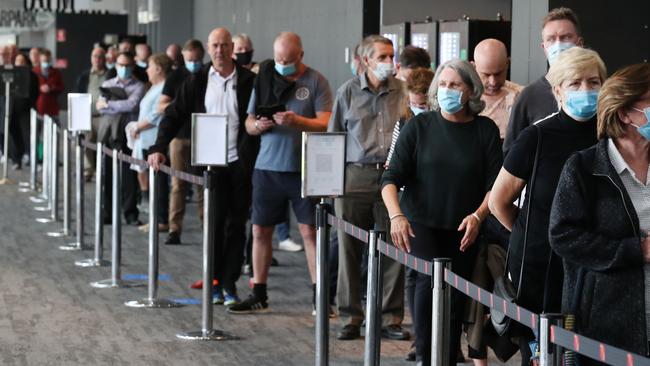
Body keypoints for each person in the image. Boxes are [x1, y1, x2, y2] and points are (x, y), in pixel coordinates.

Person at [489, 47, 606, 364]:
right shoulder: (535, 137)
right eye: (575, 83)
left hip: (595, 266)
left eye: (593, 82)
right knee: (542, 355)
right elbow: (498, 202)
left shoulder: (611, 136)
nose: (585, 90)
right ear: (557, 90)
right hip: (541, 270)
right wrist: (535, 231)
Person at [382, 58, 501, 365]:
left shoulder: (484, 130)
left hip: (464, 226)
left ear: (470, 90)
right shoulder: (419, 126)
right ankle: (425, 354)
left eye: (456, 84)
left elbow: (495, 186)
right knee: (427, 282)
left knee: (456, 295)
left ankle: (445, 356)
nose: (448, 90)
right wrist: (396, 216)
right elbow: (390, 178)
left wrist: (478, 216)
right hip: (421, 223)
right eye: (444, 84)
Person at [148, 28, 257, 305]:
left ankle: (230, 283)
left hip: (240, 164)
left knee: (236, 226)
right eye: (215, 46)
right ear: (209, 49)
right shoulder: (196, 81)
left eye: (224, 45)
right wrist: (159, 147)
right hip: (211, 165)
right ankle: (214, 281)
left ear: (232, 47)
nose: (219, 50)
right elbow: (173, 115)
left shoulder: (248, 81)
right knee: (215, 224)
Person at [549, 63, 650, 364]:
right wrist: (637, 250)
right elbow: (563, 236)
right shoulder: (584, 168)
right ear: (625, 113)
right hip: (608, 322)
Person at [228, 32, 332, 314]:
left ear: (301, 55)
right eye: (278, 59)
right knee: (261, 229)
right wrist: (258, 126)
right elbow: (247, 122)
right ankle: (258, 292)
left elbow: (326, 122)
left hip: (304, 170)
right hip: (267, 167)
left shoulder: (315, 81)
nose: (282, 64)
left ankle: (319, 297)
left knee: (310, 232)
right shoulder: (264, 77)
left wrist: (296, 120)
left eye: (288, 60)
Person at [328, 35, 409, 342]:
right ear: (365, 61)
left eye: (391, 55)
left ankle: (391, 318)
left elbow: (412, 130)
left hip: (393, 178)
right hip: (354, 177)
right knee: (349, 248)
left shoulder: (402, 91)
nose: (389, 61)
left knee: (396, 247)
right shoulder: (346, 93)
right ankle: (350, 317)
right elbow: (333, 138)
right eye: (383, 56)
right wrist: (332, 184)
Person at [385, 66, 435, 361]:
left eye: (424, 103)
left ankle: (437, 338)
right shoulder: (404, 123)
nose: (419, 108)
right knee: (415, 274)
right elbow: (392, 162)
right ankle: (420, 336)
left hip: (437, 205)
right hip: (410, 202)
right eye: (415, 103)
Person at [503, 7, 583, 154]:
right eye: (551, 39)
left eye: (565, 37)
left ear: (579, 43)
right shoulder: (529, 96)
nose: (558, 45)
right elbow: (511, 153)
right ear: (544, 48)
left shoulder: (595, 93)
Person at [156, 39, 205, 245]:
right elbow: (161, 105)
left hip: (203, 137)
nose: (193, 62)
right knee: (178, 185)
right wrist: (180, 105)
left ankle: (207, 226)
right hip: (179, 136)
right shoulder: (175, 77)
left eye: (197, 59)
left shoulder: (207, 76)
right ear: (183, 57)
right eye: (190, 59)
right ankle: (175, 228)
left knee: (203, 186)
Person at [96, 51, 146, 225]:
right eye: (120, 65)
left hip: (129, 135)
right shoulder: (107, 83)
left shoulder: (139, 86)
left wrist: (110, 104)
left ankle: (130, 213)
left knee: (129, 176)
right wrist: (114, 106)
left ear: (132, 66)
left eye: (126, 65)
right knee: (107, 174)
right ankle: (107, 212)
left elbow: (132, 105)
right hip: (110, 134)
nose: (123, 68)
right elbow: (99, 107)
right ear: (115, 65)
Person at [130, 53, 172, 233]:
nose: (146, 70)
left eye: (150, 66)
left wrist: (139, 126)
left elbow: (156, 115)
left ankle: (161, 219)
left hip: (155, 140)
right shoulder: (153, 87)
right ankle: (156, 218)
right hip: (146, 139)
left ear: (159, 69)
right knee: (155, 183)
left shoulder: (164, 88)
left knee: (160, 184)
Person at [473, 38, 523, 141]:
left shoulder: (521, 96)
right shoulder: (465, 97)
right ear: (474, 67)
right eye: (486, 75)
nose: (493, 82)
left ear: (507, 63)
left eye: (498, 74)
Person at [75, 47, 108, 180]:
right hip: (86, 115)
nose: (97, 59)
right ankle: (88, 169)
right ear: (91, 58)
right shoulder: (84, 75)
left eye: (100, 57)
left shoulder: (110, 74)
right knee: (86, 141)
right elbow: (78, 94)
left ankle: (101, 170)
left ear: (104, 59)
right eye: (95, 56)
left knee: (103, 143)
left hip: (104, 116)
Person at [8, 53, 39, 169]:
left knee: (29, 137)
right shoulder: (10, 74)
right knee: (14, 137)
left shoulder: (33, 76)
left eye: (22, 61)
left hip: (26, 111)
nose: (19, 63)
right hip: (12, 111)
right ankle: (16, 160)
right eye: (17, 61)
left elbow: (35, 93)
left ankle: (33, 160)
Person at [33, 49, 64, 120]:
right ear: (40, 59)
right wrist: (40, 88)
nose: (46, 63)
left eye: (47, 61)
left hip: (52, 108)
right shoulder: (34, 71)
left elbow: (61, 87)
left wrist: (51, 88)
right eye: (44, 61)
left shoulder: (56, 72)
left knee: (55, 129)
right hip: (39, 107)